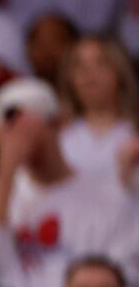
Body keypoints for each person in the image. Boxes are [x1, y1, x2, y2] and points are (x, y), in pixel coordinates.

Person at [0, 77, 139, 287]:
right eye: (7, 129)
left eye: (26, 126)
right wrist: (6, 172)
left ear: (57, 124)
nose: (17, 138)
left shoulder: (107, 195)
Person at [58, 36, 137, 193]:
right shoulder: (59, 137)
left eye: (101, 63)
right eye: (79, 66)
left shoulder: (133, 133)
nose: (89, 73)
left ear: (119, 72)